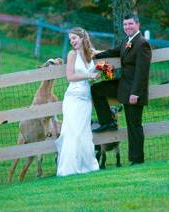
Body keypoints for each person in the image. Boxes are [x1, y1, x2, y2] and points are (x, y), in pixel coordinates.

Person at [91, 14, 152, 165]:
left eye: (130, 24)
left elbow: (142, 72)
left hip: (134, 91)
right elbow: (114, 52)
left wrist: (135, 93)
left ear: (138, 24)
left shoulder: (142, 43)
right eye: (125, 25)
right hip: (124, 85)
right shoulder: (127, 41)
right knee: (97, 89)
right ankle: (107, 121)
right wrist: (95, 54)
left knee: (134, 125)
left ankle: (137, 159)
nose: (127, 27)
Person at [55, 27, 100, 176]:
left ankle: (87, 166)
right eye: (70, 40)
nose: (72, 42)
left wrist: (106, 70)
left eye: (74, 38)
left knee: (84, 132)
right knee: (73, 132)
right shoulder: (72, 54)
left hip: (86, 99)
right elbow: (70, 77)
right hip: (73, 98)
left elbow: (106, 58)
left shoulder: (91, 53)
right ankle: (68, 169)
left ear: (82, 38)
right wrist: (90, 75)